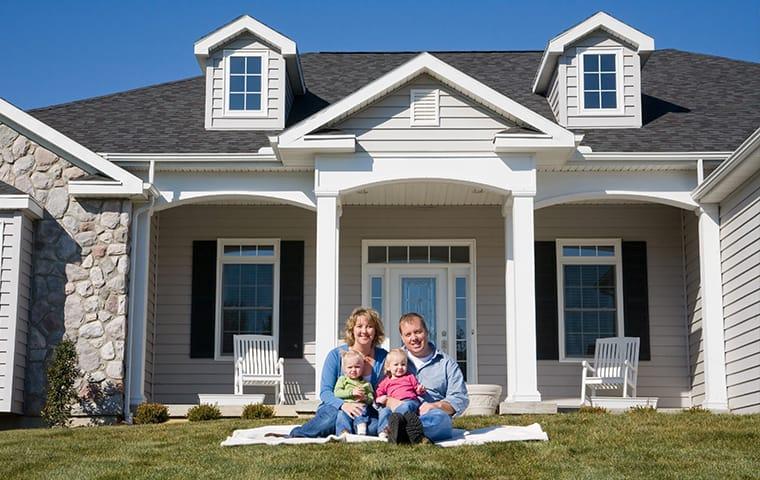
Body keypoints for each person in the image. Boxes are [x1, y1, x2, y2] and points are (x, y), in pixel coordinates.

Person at [287, 307, 388, 438]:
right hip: (336, 408)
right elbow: (325, 392)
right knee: (330, 420)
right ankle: (298, 433)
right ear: (352, 330)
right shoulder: (336, 355)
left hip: (365, 410)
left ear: (375, 331)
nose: (364, 331)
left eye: (369, 327)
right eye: (359, 326)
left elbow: (385, 389)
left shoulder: (383, 357)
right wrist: (343, 405)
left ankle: (347, 429)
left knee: (377, 427)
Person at [380, 312, 469, 444]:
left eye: (418, 332)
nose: (414, 338)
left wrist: (436, 405)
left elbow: (460, 398)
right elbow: (379, 391)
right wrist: (389, 401)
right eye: (408, 334)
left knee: (442, 420)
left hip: (430, 415)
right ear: (402, 337)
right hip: (399, 412)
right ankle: (407, 431)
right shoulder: (393, 360)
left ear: (427, 332)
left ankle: (401, 431)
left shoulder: (446, 363)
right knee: (387, 414)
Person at [375, 348, 426, 438]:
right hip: (392, 405)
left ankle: (393, 426)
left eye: (403, 364)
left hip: (410, 401)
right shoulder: (386, 381)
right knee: (384, 411)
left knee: (406, 406)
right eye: (396, 365)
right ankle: (383, 431)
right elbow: (379, 392)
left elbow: (416, 388)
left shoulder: (409, 377)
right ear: (388, 367)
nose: (400, 367)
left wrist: (420, 390)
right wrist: (379, 398)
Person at [333, 349, 375, 435]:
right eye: (350, 367)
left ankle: (361, 428)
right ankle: (344, 431)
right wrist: (351, 392)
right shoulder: (343, 380)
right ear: (344, 369)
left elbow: (371, 398)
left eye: (357, 367)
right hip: (346, 407)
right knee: (341, 415)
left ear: (362, 368)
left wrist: (365, 398)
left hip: (360, 407)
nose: (353, 370)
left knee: (363, 409)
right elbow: (337, 393)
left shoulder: (366, 383)